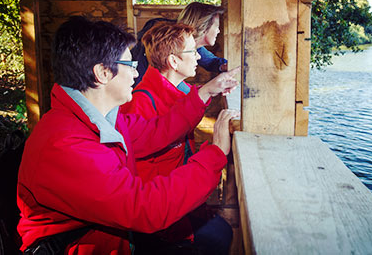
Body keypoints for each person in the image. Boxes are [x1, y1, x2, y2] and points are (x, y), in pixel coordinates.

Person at [17, 16, 239, 254]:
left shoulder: (102, 118)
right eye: (130, 65)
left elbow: (157, 131)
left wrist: (204, 93)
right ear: (102, 73)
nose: (136, 74)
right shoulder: (64, 145)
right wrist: (215, 154)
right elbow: (145, 209)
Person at [121, 22, 234, 254]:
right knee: (220, 237)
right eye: (192, 52)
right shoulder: (141, 103)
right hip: (161, 219)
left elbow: (184, 109)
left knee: (221, 233)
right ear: (173, 62)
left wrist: (214, 88)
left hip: (182, 205)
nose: (198, 58)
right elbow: (144, 183)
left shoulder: (178, 90)